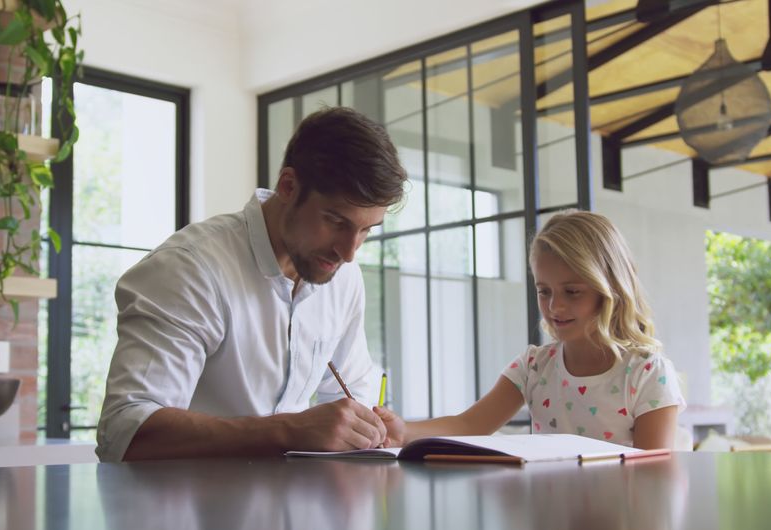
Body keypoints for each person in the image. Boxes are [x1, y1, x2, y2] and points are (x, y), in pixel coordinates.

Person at [96, 107, 407, 462]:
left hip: (302, 509)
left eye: (366, 229)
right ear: (288, 186)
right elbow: (125, 431)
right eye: (336, 220)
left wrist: (366, 428)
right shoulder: (190, 268)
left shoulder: (343, 277)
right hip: (187, 511)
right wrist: (289, 431)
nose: (349, 252)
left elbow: (350, 396)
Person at [376, 210, 685, 449]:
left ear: (610, 289)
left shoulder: (646, 373)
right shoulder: (534, 367)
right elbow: (470, 423)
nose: (555, 307)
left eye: (572, 292)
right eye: (544, 291)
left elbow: (652, 474)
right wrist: (403, 430)